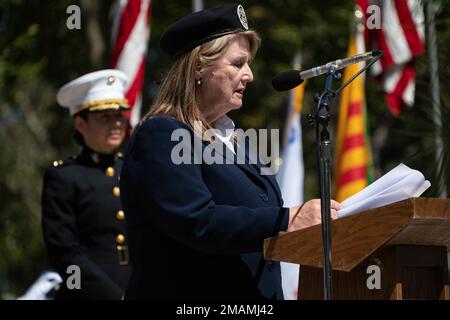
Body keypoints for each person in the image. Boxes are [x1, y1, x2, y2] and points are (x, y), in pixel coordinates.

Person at [120, 4, 342, 300]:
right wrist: (287, 218)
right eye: (238, 64)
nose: (249, 75)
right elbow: (198, 221)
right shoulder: (161, 135)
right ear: (199, 66)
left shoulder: (239, 141)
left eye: (248, 64)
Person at [41, 69, 131, 299]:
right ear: (80, 123)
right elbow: (65, 254)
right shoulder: (64, 177)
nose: (116, 123)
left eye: (119, 115)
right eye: (105, 117)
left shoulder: (134, 168)